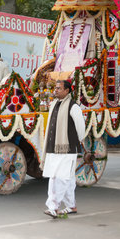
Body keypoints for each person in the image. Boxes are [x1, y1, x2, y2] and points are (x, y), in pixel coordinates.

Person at [39, 80, 85, 218]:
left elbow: (81, 129)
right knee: (67, 178)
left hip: (67, 148)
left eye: (59, 88)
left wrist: (74, 141)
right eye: (55, 88)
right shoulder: (54, 104)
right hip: (54, 148)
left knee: (59, 178)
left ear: (67, 91)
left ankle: (53, 207)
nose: (56, 90)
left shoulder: (73, 106)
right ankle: (71, 206)